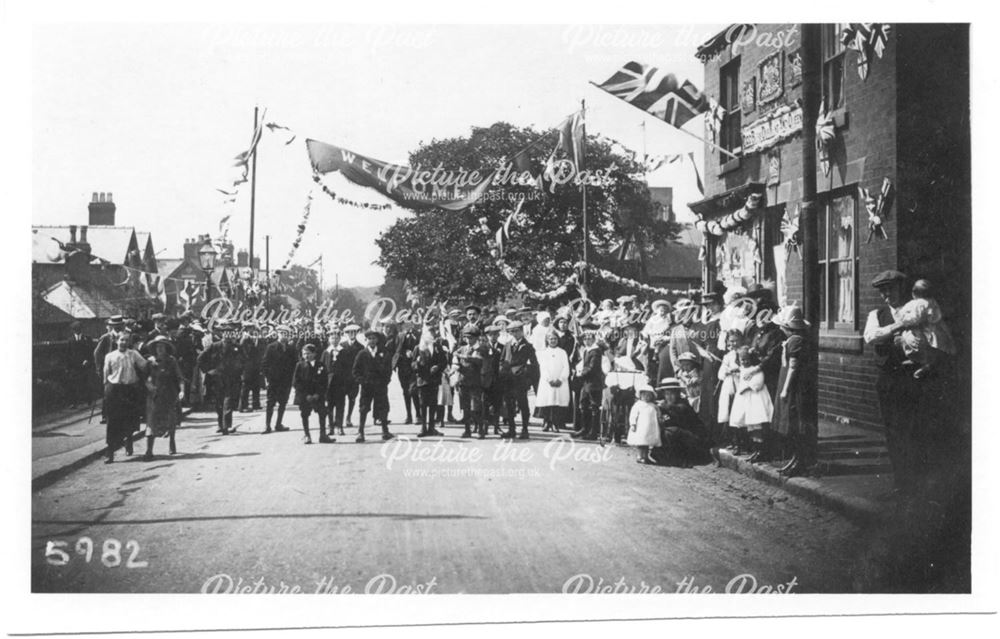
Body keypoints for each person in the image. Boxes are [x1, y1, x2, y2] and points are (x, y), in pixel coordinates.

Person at [863, 269, 949, 495]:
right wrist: (896, 328)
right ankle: (902, 480)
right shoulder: (876, 314)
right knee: (894, 431)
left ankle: (919, 480)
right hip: (889, 380)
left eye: (889, 289)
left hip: (914, 378)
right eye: (882, 291)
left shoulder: (919, 307)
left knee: (916, 429)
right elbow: (871, 337)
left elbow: (936, 336)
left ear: (901, 288)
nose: (885, 295)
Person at [772, 306, 814, 477]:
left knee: (795, 424)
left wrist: (785, 389)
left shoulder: (795, 341)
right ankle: (795, 460)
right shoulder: (791, 341)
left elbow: (793, 367)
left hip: (794, 388)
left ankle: (799, 461)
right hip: (789, 384)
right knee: (791, 425)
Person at [888, 279, 957, 379]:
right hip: (934, 328)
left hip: (923, 328)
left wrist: (903, 319)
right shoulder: (931, 301)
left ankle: (921, 362)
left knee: (913, 341)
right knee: (933, 349)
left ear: (914, 293)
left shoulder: (919, 303)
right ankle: (923, 362)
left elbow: (915, 317)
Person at [102, 333, 147, 463]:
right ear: (117, 341)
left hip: (129, 390)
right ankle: (110, 451)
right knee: (112, 421)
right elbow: (106, 375)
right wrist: (106, 391)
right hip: (114, 389)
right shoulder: (110, 356)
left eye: (126, 340)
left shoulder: (133, 354)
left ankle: (129, 441)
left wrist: (152, 360)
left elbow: (144, 365)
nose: (123, 342)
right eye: (121, 340)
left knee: (129, 418)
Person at [729, 347, 775, 463]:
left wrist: (748, 387)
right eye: (741, 360)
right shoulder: (741, 369)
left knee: (757, 424)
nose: (744, 362)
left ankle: (762, 450)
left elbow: (758, 383)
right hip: (746, 401)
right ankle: (756, 450)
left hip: (756, 399)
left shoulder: (755, 370)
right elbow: (738, 376)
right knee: (751, 427)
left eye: (746, 359)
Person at [197, 325, 244, 435]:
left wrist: (239, 371)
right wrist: (208, 370)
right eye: (225, 333)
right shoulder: (214, 346)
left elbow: (243, 361)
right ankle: (221, 424)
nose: (228, 335)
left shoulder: (237, 347)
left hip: (232, 378)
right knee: (219, 402)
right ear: (222, 334)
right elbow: (200, 359)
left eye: (230, 333)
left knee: (228, 401)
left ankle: (225, 426)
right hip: (216, 379)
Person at [143, 335, 184, 459]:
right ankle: (149, 450)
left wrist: (182, 391)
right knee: (151, 422)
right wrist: (149, 385)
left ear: (166, 348)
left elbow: (179, 378)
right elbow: (144, 378)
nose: (159, 349)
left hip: (169, 394)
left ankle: (172, 442)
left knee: (171, 420)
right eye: (157, 347)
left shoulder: (172, 361)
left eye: (162, 347)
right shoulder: (150, 362)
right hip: (154, 396)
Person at [654, 377, 709, 467]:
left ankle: (679, 459)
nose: (669, 397)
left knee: (672, 431)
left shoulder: (683, 404)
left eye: (672, 394)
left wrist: (667, 407)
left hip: (692, 440)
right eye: (667, 394)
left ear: (677, 394)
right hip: (676, 439)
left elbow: (680, 414)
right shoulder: (663, 405)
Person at [352, 329, 395, 443]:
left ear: (377, 340)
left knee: (383, 407)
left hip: (380, 386)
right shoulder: (362, 354)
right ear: (366, 340)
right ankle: (361, 431)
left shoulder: (383, 352)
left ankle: (385, 431)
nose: (372, 341)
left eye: (374, 339)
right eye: (369, 339)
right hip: (367, 387)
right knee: (363, 408)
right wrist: (362, 381)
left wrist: (385, 381)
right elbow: (356, 371)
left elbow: (388, 369)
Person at [499, 321, 538, 440]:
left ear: (522, 331)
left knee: (523, 405)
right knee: (509, 405)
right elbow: (502, 360)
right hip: (508, 379)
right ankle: (511, 429)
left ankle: (525, 429)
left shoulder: (528, 346)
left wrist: (526, 374)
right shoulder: (507, 344)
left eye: (516, 331)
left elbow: (533, 364)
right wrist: (503, 372)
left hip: (521, 379)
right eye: (511, 332)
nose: (514, 334)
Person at [414, 320, 448, 437]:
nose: (431, 334)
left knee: (433, 404)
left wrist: (438, 367)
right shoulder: (419, 348)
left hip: (434, 380)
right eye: (429, 332)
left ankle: (432, 427)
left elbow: (444, 361)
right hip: (422, 380)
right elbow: (412, 364)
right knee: (423, 404)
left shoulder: (438, 347)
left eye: (433, 332)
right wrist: (418, 363)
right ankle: (423, 427)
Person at [571, 323, 604, 441]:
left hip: (593, 383)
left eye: (589, 338)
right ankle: (585, 428)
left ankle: (593, 432)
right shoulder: (586, 350)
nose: (586, 341)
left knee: (594, 407)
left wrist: (581, 373)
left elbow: (592, 367)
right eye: (584, 338)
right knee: (583, 405)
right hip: (586, 383)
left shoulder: (596, 351)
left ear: (594, 339)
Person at [262, 326, 298, 434]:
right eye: (281, 333)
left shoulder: (291, 349)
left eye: (286, 333)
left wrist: (293, 380)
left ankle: (278, 424)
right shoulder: (271, 347)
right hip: (273, 380)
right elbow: (264, 364)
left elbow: (295, 365)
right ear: (277, 334)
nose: (284, 335)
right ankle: (267, 425)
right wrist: (267, 378)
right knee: (270, 403)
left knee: (283, 402)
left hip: (286, 381)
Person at [293, 343, 332, 444]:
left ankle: (322, 435)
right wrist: (306, 395)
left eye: (309, 353)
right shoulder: (300, 365)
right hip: (305, 396)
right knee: (305, 414)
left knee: (322, 413)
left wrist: (318, 394)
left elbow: (324, 381)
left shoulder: (320, 365)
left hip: (318, 395)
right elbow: (296, 382)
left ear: (314, 354)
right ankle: (307, 435)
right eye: (304, 353)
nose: (306, 356)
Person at [454, 324, 486, 438]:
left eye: (471, 338)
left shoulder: (481, 348)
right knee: (466, 408)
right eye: (466, 337)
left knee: (476, 407)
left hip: (475, 382)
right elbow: (456, 362)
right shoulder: (462, 348)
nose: (468, 340)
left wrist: (464, 356)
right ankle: (467, 430)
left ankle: (480, 429)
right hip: (463, 381)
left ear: (477, 338)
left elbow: (480, 360)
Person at [716, 330, 746, 452]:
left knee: (740, 415)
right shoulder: (728, 356)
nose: (733, 343)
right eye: (731, 341)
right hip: (730, 387)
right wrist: (726, 371)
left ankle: (743, 443)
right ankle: (734, 441)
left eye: (735, 341)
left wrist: (737, 370)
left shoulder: (745, 352)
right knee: (730, 413)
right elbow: (720, 374)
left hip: (741, 386)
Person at [536, 329, 571, 434]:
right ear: (547, 340)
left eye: (555, 339)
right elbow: (543, 368)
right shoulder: (543, 353)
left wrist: (561, 379)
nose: (553, 341)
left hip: (560, 381)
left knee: (557, 403)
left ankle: (555, 423)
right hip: (548, 382)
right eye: (551, 339)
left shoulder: (562, 352)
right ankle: (546, 422)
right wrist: (549, 379)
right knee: (547, 401)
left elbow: (566, 367)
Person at [94, 315, 126, 423]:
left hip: (121, 368)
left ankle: (118, 413)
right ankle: (105, 415)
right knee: (108, 392)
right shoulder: (106, 337)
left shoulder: (125, 337)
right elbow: (97, 353)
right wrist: (100, 368)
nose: (118, 328)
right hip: (109, 369)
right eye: (115, 326)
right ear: (112, 326)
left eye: (119, 326)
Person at [321, 327, 351, 437]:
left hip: (340, 383)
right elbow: (322, 368)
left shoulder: (344, 352)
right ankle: (331, 426)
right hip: (328, 384)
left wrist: (346, 383)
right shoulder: (325, 352)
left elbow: (348, 368)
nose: (334, 340)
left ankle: (339, 426)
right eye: (332, 338)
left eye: (336, 338)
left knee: (340, 405)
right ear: (329, 339)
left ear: (340, 339)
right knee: (329, 406)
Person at [391, 321, 421, 424]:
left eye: (410, 323)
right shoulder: (400, 336)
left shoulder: (418, 334)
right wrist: (404, 353)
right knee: (405, 392)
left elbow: (422, 348)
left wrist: (415, 355)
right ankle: (409, 415)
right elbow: (397, 350)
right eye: (405, 324)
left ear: (413, 324)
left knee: (414, 390)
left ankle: (418, 414)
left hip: (414, 367)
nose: (407, 326)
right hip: (403, 367)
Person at [627, 382, 661, 464]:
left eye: (649, 395)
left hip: (650, 428)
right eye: (644, 395)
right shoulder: (638, 405)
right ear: (641, 396)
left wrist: (660, 419)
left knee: (647, 443)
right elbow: (633, 414)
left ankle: (645, 456)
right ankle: (639, 456)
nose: (646, 397)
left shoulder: (653, 406)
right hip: (641, 427)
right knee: (641, 443)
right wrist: (633, 424)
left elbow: (658, 413)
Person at [481, 323, 505, 437]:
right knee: (485, 403)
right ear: (487, 336)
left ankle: (496, 425)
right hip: (486, 379)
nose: (493, 337)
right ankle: (485, 426)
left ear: (499, 335)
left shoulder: (503, 347)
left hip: (498, 379)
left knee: (497, 403)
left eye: (495, 334)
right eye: (491, 335)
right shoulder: (483, 347)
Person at [642, 299, 673, 383]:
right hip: (652, 341)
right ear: (657, 310)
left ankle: (661, 378)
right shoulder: (652, 319)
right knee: (651, 362)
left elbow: (671, 331)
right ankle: (651, 378)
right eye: (661, 310)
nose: (662, 312)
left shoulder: (668, 320)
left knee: (662, 361)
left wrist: (666, 337)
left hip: (664, 343)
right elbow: (645, 330)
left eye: (664, 310)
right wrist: (650, 334)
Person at [65, 320, 94, 408]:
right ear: (73, 330)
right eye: (75, 329)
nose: (77, 331)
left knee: (86, 383)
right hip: (74, 366)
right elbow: (68, 354)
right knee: (73, 384)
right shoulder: (70, 340)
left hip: (85, 365)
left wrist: (88, 360)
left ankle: (88, 401)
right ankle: (74, 403)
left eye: (78, 329)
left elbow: (91, 352)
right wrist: (67, 367)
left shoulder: (87, 338)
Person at [340, 324, 364, 427]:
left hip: (354, 377)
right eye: (350, 332)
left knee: (352, 398)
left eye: (354, 332)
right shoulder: (342, 345)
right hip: (343, 377)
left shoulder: (360, 347)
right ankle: (339, 419)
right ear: (346, 334)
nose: (352, 334)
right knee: (340, 399)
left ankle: (348, 417)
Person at [238, 331, 264, 412]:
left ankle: (254, 404)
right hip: (249, 370)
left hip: (252, 369)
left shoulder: (249, 346)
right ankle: (245, 406)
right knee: (247, 389)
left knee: (253, 388)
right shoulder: (246, 347)